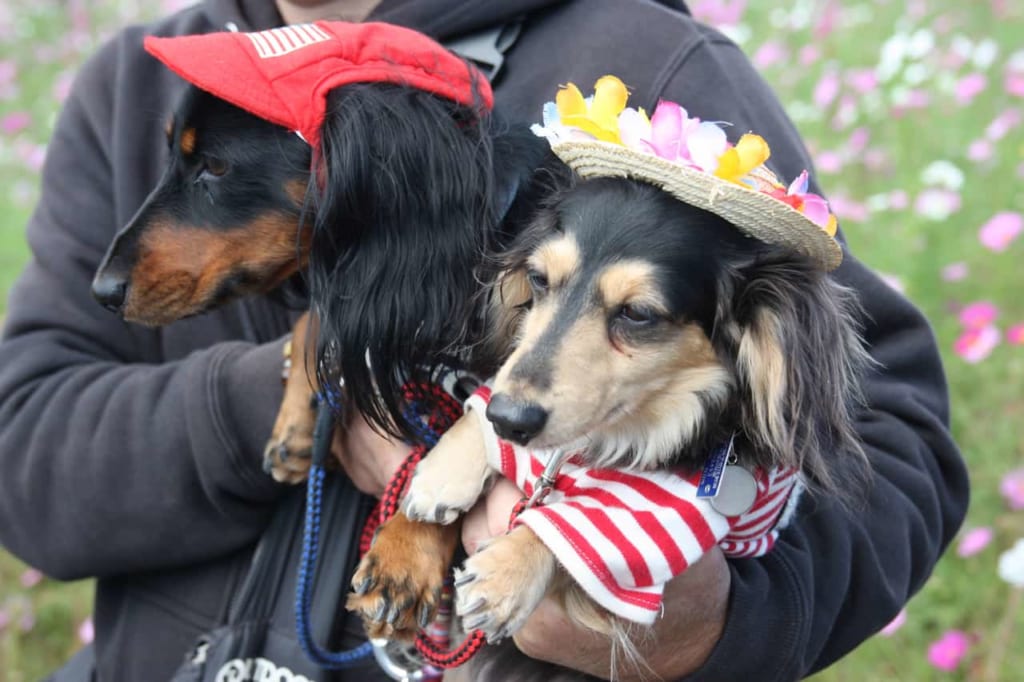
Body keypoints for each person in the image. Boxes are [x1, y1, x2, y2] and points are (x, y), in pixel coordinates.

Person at [0, 0, 968, 680]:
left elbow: (891, 435)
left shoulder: (641, 71)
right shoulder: (139, 85)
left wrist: (723, 625)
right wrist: (305, 396)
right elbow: (24, 453)